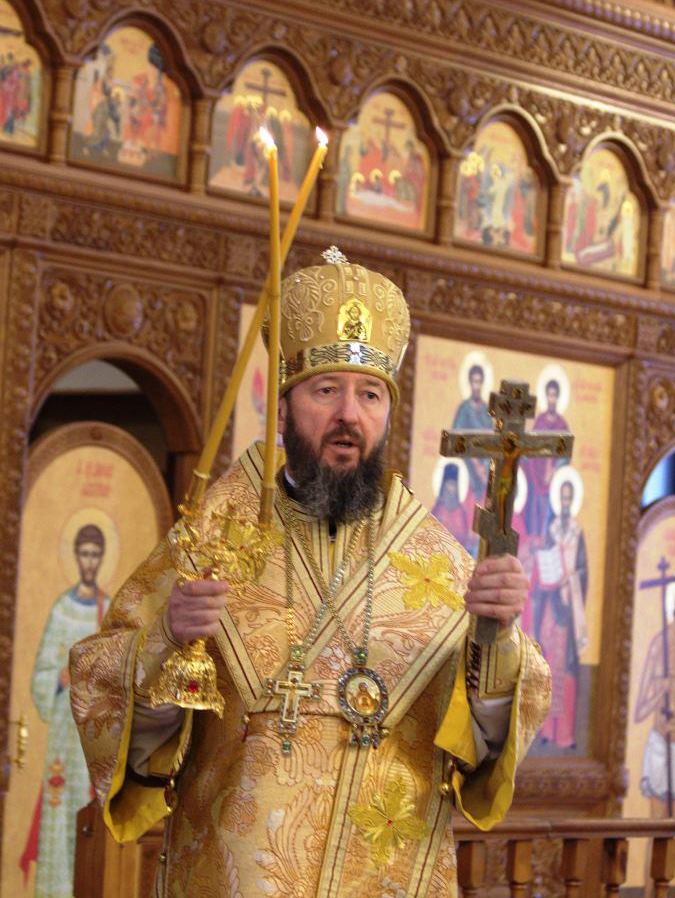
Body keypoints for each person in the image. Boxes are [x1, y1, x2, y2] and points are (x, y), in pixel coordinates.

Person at [71, 250, 550, 897]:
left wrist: (495, 640)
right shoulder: (214, 538)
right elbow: (116, 713)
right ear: (285, 405)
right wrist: (166, 640)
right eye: (327, 391)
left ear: (387, 413)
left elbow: (483, 755)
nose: (349, 414)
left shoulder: (437, 565)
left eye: (370, 394)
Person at [22, 524, 109, 897]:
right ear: (76, 556)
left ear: (101, 558)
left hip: (92, 735)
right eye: (84, 553)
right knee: (59, 809)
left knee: (87, 808)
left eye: (95, 554)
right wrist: (59, 677)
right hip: (62, 734)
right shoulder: (61, 609)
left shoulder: (108, 609)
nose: (89, 561)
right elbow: (41, 674)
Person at [533, 477, 588, 749]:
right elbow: (543, 565)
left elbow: (584, 570)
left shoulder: (578, 533)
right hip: (551, 607)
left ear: (572, 501)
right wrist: (549, 574)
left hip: (569, 607)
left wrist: (572, 579)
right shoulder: (551, 531)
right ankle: (545, 731)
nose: (565, 503)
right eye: (562, 498)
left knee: (566, 669)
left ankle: (564, 736)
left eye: (569, 499)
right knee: (547, 667)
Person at [634, 584, 675, 817]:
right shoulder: (659, 645)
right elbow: (639, 713)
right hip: (660, 744)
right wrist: (659, 693)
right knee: (656, 822)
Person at [525, 377, 570, 539]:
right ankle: (534, 538)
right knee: (535, 505)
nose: (552, 399)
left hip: (554, 478)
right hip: (537, 474)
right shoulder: (540, 421)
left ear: (558, 398)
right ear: (546, 397)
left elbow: (566, 454)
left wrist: (554, 469)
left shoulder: (562, 425)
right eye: (550, 395)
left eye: (554, 396)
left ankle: (546, 538)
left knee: (549, 509)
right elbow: (532, 448)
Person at [452, 362, 492, 504]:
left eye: (479, 382)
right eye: (474, 382)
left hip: (485, 462)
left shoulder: (487, 410)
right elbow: (456, 438)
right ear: (470, 383)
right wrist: (475, 463)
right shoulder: (464, 409)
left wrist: (484, 465)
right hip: (468, 461)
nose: (477, 386)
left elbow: (492, 439)